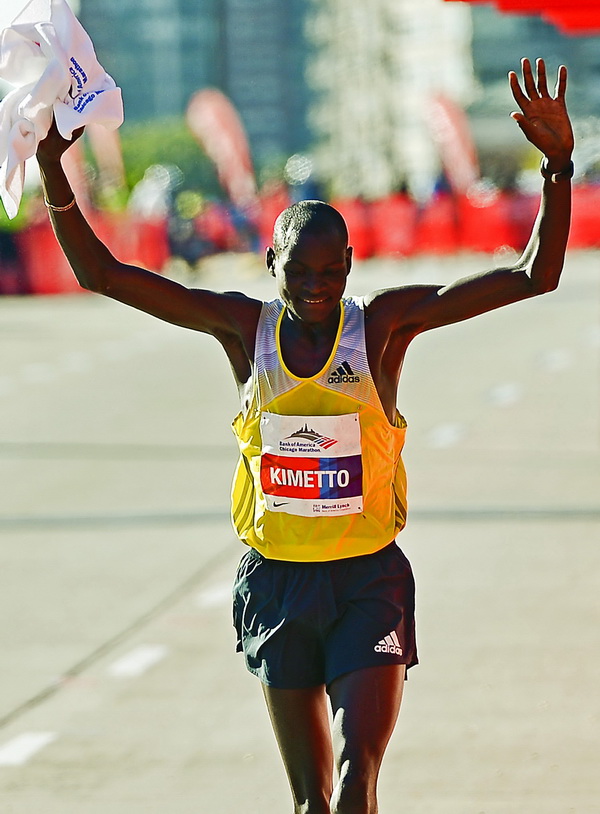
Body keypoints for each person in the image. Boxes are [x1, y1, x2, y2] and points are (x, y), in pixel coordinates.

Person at [36, 58, 574, 814]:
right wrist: (52, 168)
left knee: (358, 784)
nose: (317, 284)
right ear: (272, 265)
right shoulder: (239, 330)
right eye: (300, 269)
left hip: (366, 582)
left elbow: (531, 276)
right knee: (311, 803)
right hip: (278, 582)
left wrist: (557, 168)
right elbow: (105, 275)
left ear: (351, 265)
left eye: (331, 269)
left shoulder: (382, 330)